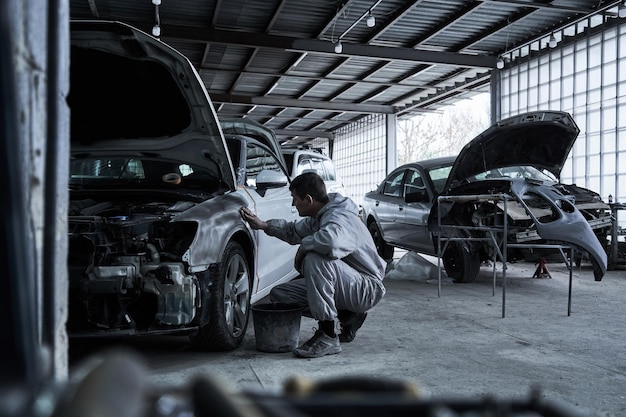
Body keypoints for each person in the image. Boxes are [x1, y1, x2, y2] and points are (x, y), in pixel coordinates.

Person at [241, 172, 386, 358]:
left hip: (367, 288)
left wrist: (304, 248)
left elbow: (331, 242)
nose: (293, 204)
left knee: (315, 259)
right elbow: (293, 230)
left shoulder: (339, 218)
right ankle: (348, 313)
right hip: (348, 284)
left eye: (295, 199)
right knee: (281, 295)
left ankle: (327, 335)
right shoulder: (321, 215)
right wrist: (263, 225)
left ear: (308, 199)